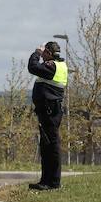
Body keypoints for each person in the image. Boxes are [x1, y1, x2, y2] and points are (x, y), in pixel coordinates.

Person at [28, 40, 68, 190]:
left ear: (49, 53)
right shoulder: (59, 66)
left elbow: (32, 67)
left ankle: (52, 182)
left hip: (50, 110)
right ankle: (46, 180)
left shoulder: (52, 66)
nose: (42, 55)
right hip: (50, 110)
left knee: (50, 145)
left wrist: (36, 53)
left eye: (44, 52)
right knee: (47, 145)